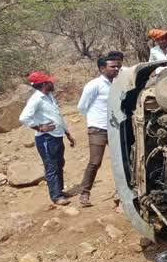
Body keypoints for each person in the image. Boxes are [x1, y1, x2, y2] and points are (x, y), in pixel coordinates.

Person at [19, 71, 76, 206]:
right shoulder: (36, 99)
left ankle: (60, 191)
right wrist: (39, 127)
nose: (53, 83)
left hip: (57, 136)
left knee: (59, 164)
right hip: (46, 138)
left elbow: (57, 116)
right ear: (44, 84)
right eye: (50, 82)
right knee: (51, 167)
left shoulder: (49, 96)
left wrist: (67, 133)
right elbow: (23, 117)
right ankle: (56, 196)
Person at [77, 54, 122, 207]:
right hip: (98, 128)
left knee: (122, 161)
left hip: (116, 128)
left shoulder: (118, 83)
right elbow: (82, 107)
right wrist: (95, 119)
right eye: (113, 66)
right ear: (102, 68)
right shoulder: (94, 85)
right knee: (95, 161)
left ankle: (121, 191)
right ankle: (84, 193)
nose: (117, 68)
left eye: (118, 66)